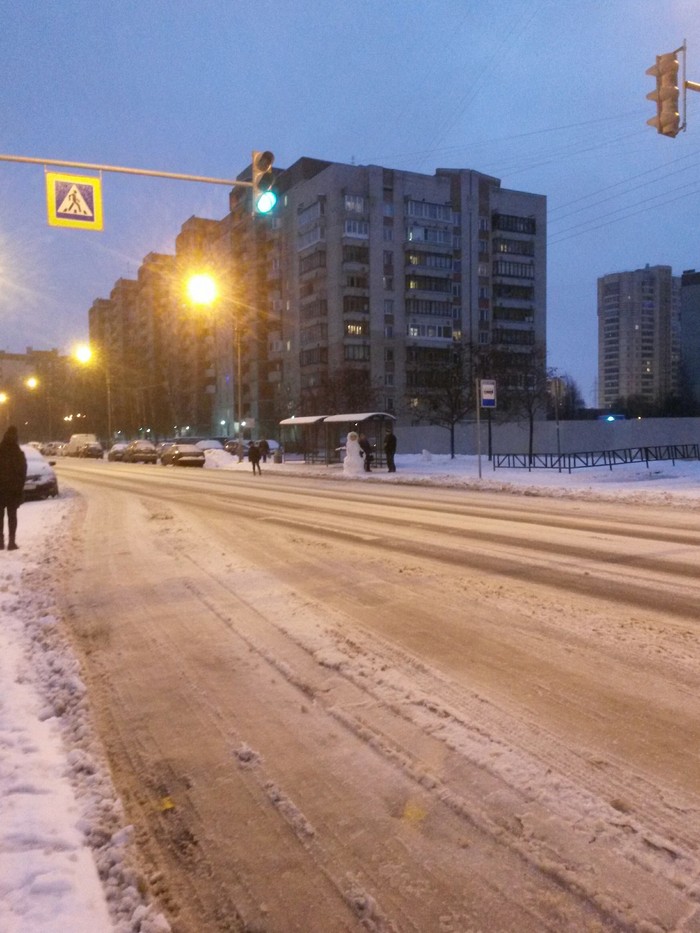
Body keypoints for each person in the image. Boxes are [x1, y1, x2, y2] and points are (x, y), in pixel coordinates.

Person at [0, 425, 27, 551]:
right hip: (13, 490)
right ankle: (11, 542)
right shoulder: (18, 453)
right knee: (12, 516)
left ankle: (0, 541)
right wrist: (19, 487)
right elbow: (22, 471)